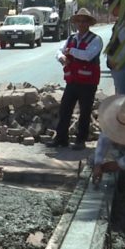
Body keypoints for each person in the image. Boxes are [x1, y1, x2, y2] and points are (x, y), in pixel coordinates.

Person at [47, 8, 103, 150]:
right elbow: (59, 51)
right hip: (72, 80)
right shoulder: (71, 38)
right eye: (79, 21)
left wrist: (70, 51)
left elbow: (88, 55)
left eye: (84, 21)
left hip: (88, 82)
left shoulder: (96, 40)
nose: (81, 24)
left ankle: (80, 140)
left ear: (89, 23)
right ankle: (61, 139)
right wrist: (62, 57)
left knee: (85, 112)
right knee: (65, 109)